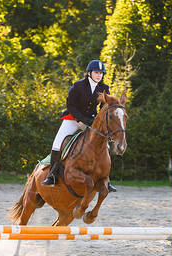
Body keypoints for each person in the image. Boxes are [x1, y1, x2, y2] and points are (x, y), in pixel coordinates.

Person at [41, 59, 117, 192]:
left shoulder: (104, 88)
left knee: (106, 144)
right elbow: (70, 105)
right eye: (96, 72)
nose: (99, 75)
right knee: (57, 143)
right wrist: (82, 119)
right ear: (89, 73)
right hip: (73, 119)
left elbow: (105, 108)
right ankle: (52, 175)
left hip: (91, 121)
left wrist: (97, 120)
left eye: (101, 73)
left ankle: (105, 179)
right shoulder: (78, 86)